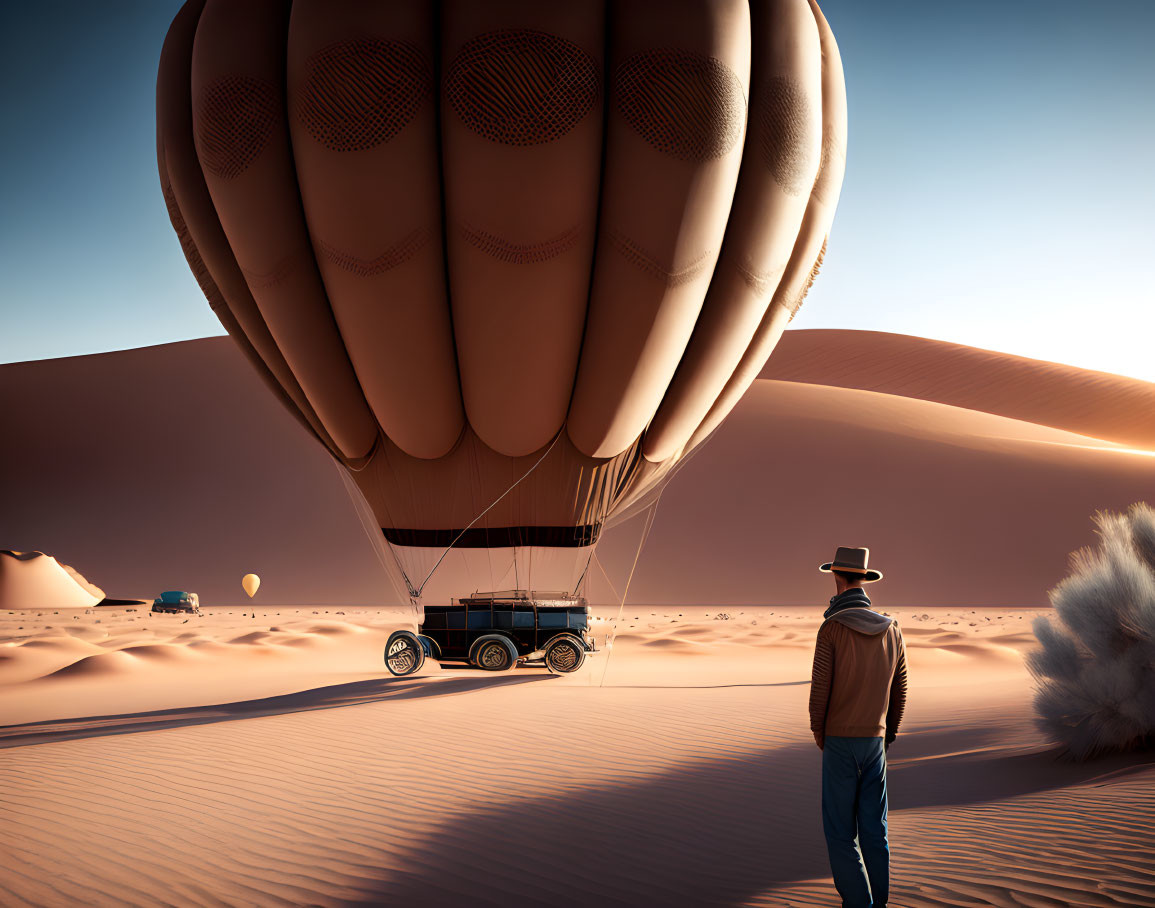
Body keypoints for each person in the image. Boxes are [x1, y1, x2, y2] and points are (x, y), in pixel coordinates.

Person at [809, 546, 908, 908]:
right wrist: (888, 733)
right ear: (864, 579)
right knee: (875, 833)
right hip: (875, 742)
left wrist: (820, 733)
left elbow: (820, 691)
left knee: (839, 834)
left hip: (839, 740)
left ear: (836, 576)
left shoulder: (831, 629)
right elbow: (901, 689)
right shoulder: (892, 629)